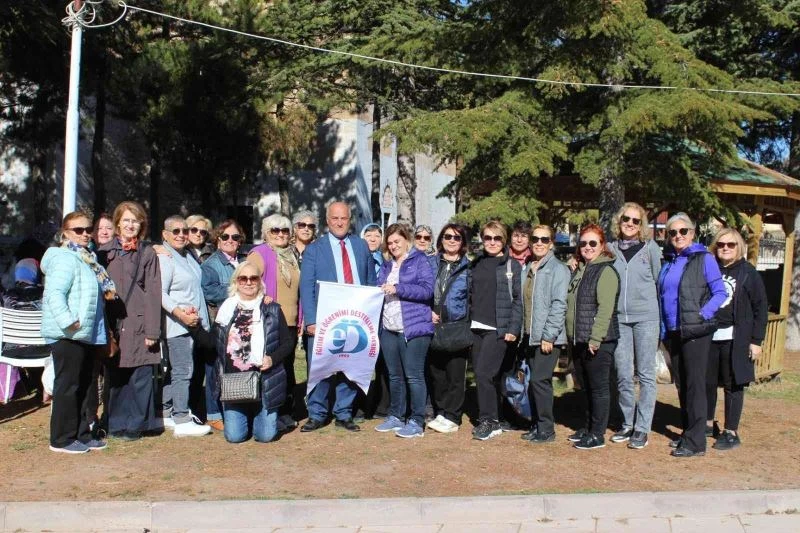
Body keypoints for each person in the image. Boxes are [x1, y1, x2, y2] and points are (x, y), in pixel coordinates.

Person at [299, 201, 378, 433]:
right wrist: (311, 320)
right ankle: (317, 413)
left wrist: (370, 315)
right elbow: (306, 286)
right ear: (327, 221)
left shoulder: (361, 246)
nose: (340, 222)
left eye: (343, 218)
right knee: (321, 367)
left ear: (349, 219)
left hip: (355, 317)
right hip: (324, 320)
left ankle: (344, 412)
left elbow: (370, 281)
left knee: (350, 364)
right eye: (335, 218)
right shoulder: (315, 248)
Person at [41, 211, 115, 453]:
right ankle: (61, 439)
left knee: (84, 384)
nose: (85, 234)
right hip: (68, 333)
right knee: (68, 385)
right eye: (78, 230)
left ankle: (82, 434)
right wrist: (67, 321)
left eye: (87, 229)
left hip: (85, 333)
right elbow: (54, 294)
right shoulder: (64, 258)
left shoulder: (87, 258)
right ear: (65, 233)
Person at [658, 212, 727, 458]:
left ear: (692, 232)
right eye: (673, 232)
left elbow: (720, 292)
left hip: (695, 331)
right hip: (673, 330)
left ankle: (697, 442)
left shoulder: (703, 258)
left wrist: (702, 314)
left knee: (695, 386)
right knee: (682, 385)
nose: (678, 236)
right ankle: (688, 433)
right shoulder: (669, 259)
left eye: (683, 231)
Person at [99, 201, 162, 441]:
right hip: (114, 324)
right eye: (126, 220)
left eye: (135, 221)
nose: (130, 225)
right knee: (116, 377)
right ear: (117, 224)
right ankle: (116, 423)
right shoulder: (104, 252)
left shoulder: (147, 253)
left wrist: (152, 331)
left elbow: (153, 292)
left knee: (140, 377)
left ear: (141, 225)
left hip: (140, 322)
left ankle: (136, 425)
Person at [213, 261, 294, 443]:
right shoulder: (226, 308)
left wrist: (272, 359)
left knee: (266, 436)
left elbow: (288, 343)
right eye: (243, 278)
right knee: (235, 437)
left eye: (253, 278)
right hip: (234, 381)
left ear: (259, 281)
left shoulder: (272, 308)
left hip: (263, 379)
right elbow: (212, 342)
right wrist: (193, 325)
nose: (248, 282)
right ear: (236, 282)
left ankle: (266, 416)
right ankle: (248, 414)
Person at [607, 203, 663, 450]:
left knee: (647, 374)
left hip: (646, 318)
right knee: (623, 374)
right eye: (626, 219)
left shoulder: (650, 249)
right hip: (619, 318)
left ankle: (642, 428)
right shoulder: (610, 249)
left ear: (642, 225)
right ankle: (628, 423)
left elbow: (658, 280)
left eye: (635, 220)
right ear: (618, 222)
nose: (630, 224)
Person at [706, 228, 768, 451]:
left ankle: (731, 432)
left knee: (733, 384)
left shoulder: (748, 273)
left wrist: (756, 340)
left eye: (730, 245)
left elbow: (761, 308)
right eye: (721, 244)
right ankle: (705, 424)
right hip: (710, 335)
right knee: (707, 382)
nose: (725, 248)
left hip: (736, 338)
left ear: (738, 247)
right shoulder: (709, 269)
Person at [373, 224, 434, 438]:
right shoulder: (387, 265)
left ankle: (417, 420)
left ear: (407, 240)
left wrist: (398, 288)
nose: (393, 246)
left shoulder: (420, 261)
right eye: (389, 243)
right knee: (394, 376)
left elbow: (427, 290)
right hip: (389, 328)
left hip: (414, 327)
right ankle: (396, 416)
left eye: (397, 241)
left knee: (414, 376)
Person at [566, 224, 620, 450]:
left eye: (592, 243)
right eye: (583, 243)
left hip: (598, 340)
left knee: (599, 388)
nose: (587, 247)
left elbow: (605, 308)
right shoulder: (581, 269)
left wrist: (595, 339)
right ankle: (588, 427)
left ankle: (597, 434)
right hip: (579, 339)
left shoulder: (605, 271)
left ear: (602, 246)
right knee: (586, 386)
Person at [158, 215, 212, 437]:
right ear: (165, 235)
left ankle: (166, 412)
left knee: (176, 370)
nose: (181, 235)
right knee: (183, 370)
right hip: (177, 324)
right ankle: (181, 418)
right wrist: (180, 313)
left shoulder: (187, 255)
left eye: (184, 231)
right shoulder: (166, 257)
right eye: (176, 231)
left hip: (193, 323)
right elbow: (160, 292)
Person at [469, 221, 522, 441]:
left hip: (498, 328)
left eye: (497, 238)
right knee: (487, 376)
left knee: (484, 374)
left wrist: (513, 327)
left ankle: (490, 422)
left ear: (504, 240)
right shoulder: (476, 263)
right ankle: (495, 416)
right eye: (488, 238)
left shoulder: (511, 266)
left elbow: (519, 300)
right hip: (476, 327)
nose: (492, 242)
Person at [247, 214, 301, 428]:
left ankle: (286, 412)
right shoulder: (259, 254)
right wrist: (262, 296)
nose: (280, 234)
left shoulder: (292, 255)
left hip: (290, 321)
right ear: (266, 233)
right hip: (269, 321)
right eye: (275, 230)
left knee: (287, 368)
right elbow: (246, 281)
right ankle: (268, 414)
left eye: (285, 230)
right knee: (271, 368)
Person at [519, 225, 569, 444]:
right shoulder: (529, 267)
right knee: (533, 381)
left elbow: (559, 304)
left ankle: (547, 429)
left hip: (548, 337)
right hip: (530, 335)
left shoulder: (558, 269)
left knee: (540, 380)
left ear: (551, 243)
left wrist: (549, 336)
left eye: (544, 239)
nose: (539, 243)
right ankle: (536, 424)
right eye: (535, 239)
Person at [201, 219, 247, 431]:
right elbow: (208, 292)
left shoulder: (245, 261)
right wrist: (237, 291)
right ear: (218, 240)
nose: (230, 241)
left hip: (243, 325)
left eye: (235, 237)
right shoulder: (211, 265)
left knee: (237, 366)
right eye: (225, 237)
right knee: (215, 369)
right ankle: (213, 413)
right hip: (220, 325)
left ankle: (237, 408)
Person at [426, 223, 471, 434]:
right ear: (441, 239)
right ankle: (441, 411)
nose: (451, 240)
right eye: (447, 236)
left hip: (457, 325)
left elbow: (473, 299)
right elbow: (421, 290)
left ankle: (453, 416)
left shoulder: (469, 268)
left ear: (463, 242)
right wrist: (426, 312)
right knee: (437, 373)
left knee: (455, 373)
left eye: (457, 237)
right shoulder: (430, 264)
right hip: (433, 324)